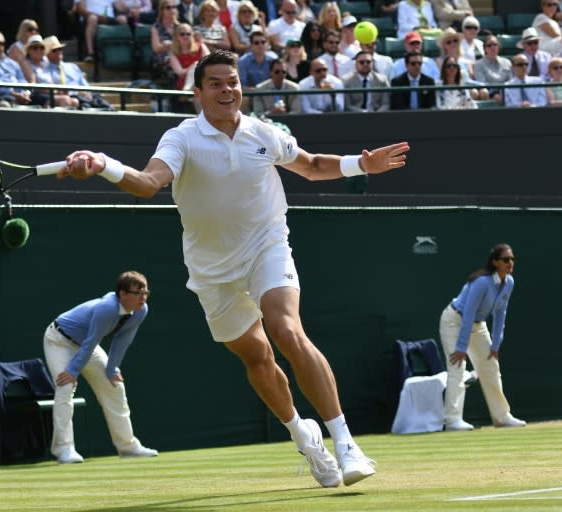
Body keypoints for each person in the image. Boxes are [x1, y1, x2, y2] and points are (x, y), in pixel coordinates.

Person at [57, 49, 409, 487]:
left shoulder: (264, 132)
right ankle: (304, 434)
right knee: (258, 357)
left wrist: (362, 164)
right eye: (217, 83)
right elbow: (148, 184)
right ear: (198, 92)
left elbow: (314, 166)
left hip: (267, 248)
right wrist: (102, 165)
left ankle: (346, 442)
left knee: (286, 330)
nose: (228, 90)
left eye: (234, 82)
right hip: (212, 271)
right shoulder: (181, 138)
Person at [43, 271, 159, 464]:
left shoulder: (141, 310)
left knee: (115, 386)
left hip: (86, 345)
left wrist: (112, 368)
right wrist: (72, 371)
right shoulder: (107, 308)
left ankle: (128, 446)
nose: (143, 298)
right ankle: (64, 449)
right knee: (65, 387)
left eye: (146, 292)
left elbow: (123, 340)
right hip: (59, 340)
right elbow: (91, 341)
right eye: (138, 293)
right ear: (122, 294)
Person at [439, 243, 526, 432]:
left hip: (478, 327)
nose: (510, 263)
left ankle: (502, 417)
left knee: (491, 368)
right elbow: (468, 313)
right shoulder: (481, 282)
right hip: (454, 322)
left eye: (512, 259)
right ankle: (452, 420)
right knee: (457, 368)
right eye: (506, 259)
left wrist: (496, 344)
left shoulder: (509, 282)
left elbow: (501, 314)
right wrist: (461, 347)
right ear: (495, 262)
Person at [0, 30, 46, 107]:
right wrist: (16, 94)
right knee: (6, 104)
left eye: (2, 44)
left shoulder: (12, 63)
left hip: (18, 96)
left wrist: (26, 93)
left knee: (46, 99)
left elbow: (22, 80)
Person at [473, 35, 511, 104]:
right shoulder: (479, 64)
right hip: (490, 94)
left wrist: (503, 93)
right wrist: (494, 94)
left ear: (498, 47)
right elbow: (482, 84)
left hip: (506, 93)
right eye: (489, 45)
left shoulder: (507, 62)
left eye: (495, 44)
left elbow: (511, 81)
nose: (492, 47)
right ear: (484, 49)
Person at [151, 0, 180, 81]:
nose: (172, 10)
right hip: (163, 59)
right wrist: (173, 45)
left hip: (179, 56)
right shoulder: (156, 27)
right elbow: (156, 48)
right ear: (162, 10)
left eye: (174, 7)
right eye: (168, 7)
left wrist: (167, 45)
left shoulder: (180, 27)